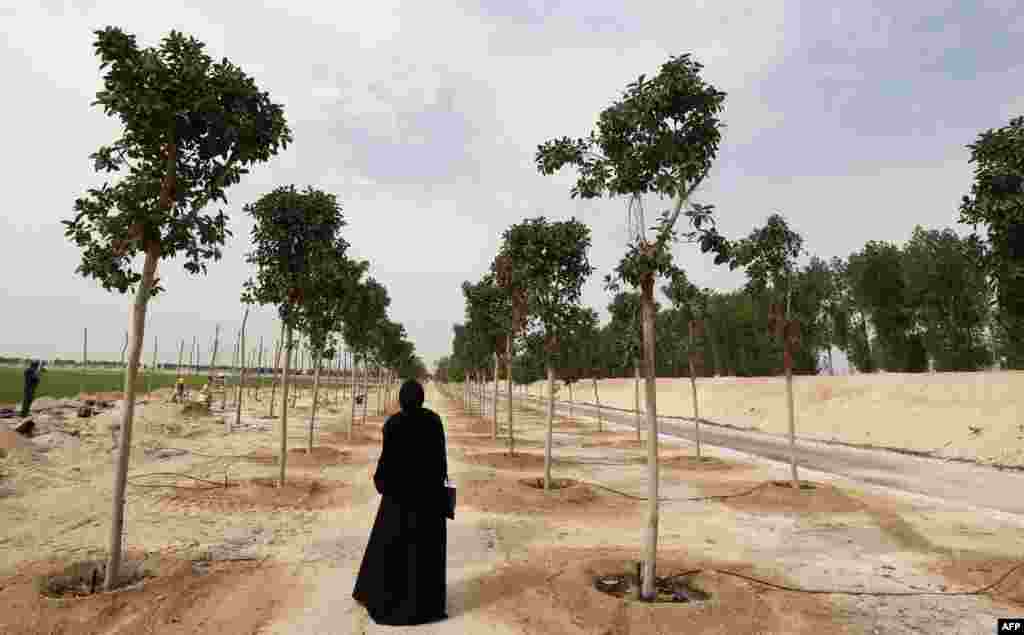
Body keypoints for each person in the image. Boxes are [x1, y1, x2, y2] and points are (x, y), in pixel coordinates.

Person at [352, 379, 449, 625]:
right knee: (424, 554)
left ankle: (389, 599)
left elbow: (385, 468)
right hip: (429, 502)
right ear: (422, 398)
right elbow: (441, 463)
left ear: (401, 399)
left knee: (390, 551)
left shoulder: (393, 424)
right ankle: (425, 606)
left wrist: (382, 484)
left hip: (399, 502)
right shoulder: (434, 421)